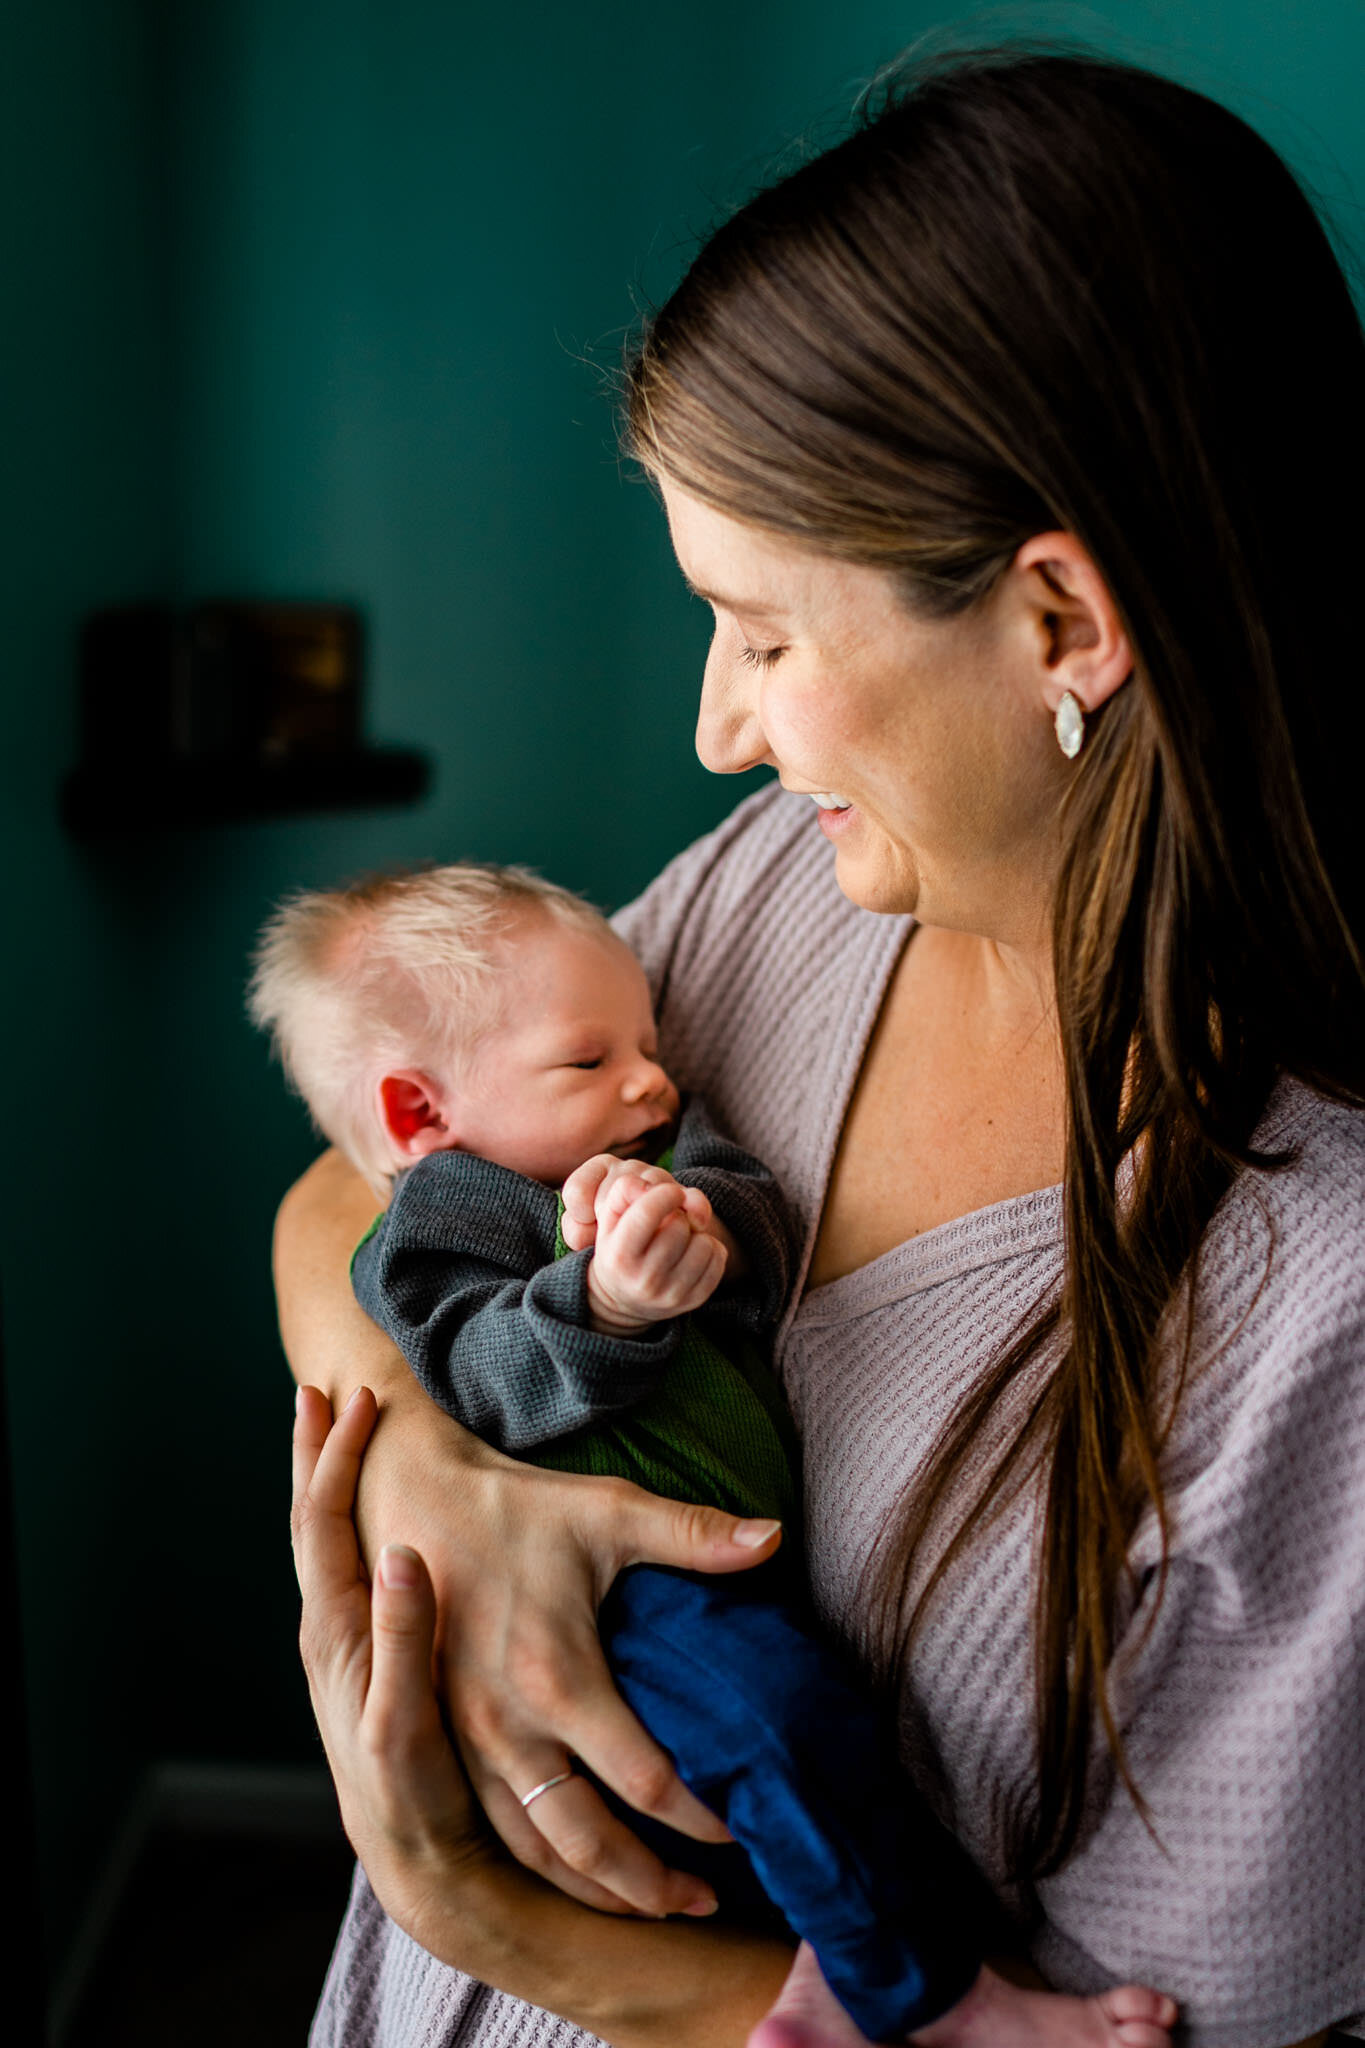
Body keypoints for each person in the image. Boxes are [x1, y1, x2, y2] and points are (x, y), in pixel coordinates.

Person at [277, 46, 1365, 2048]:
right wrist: (442, 1462)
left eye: (762, 633)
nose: (717, 725)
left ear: (1056, 619)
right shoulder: (789, 893)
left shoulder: (1324, 1326)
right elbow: (356, 1185)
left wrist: (470, 1896)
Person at [257, 861, 1175, 2047]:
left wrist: (708, 1227)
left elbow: (758, 1205)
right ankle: (937, 1998)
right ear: (419, 1116)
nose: (650, 1074)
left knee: (799, 1764)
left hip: (732, 1560)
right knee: (780, 1721)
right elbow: (482, 1372)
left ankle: (805, 1971)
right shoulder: (437, 1229)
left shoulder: (656, 1136)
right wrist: (601, 1302)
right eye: (590, 1061)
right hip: (616, 1591)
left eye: (647, 1037)